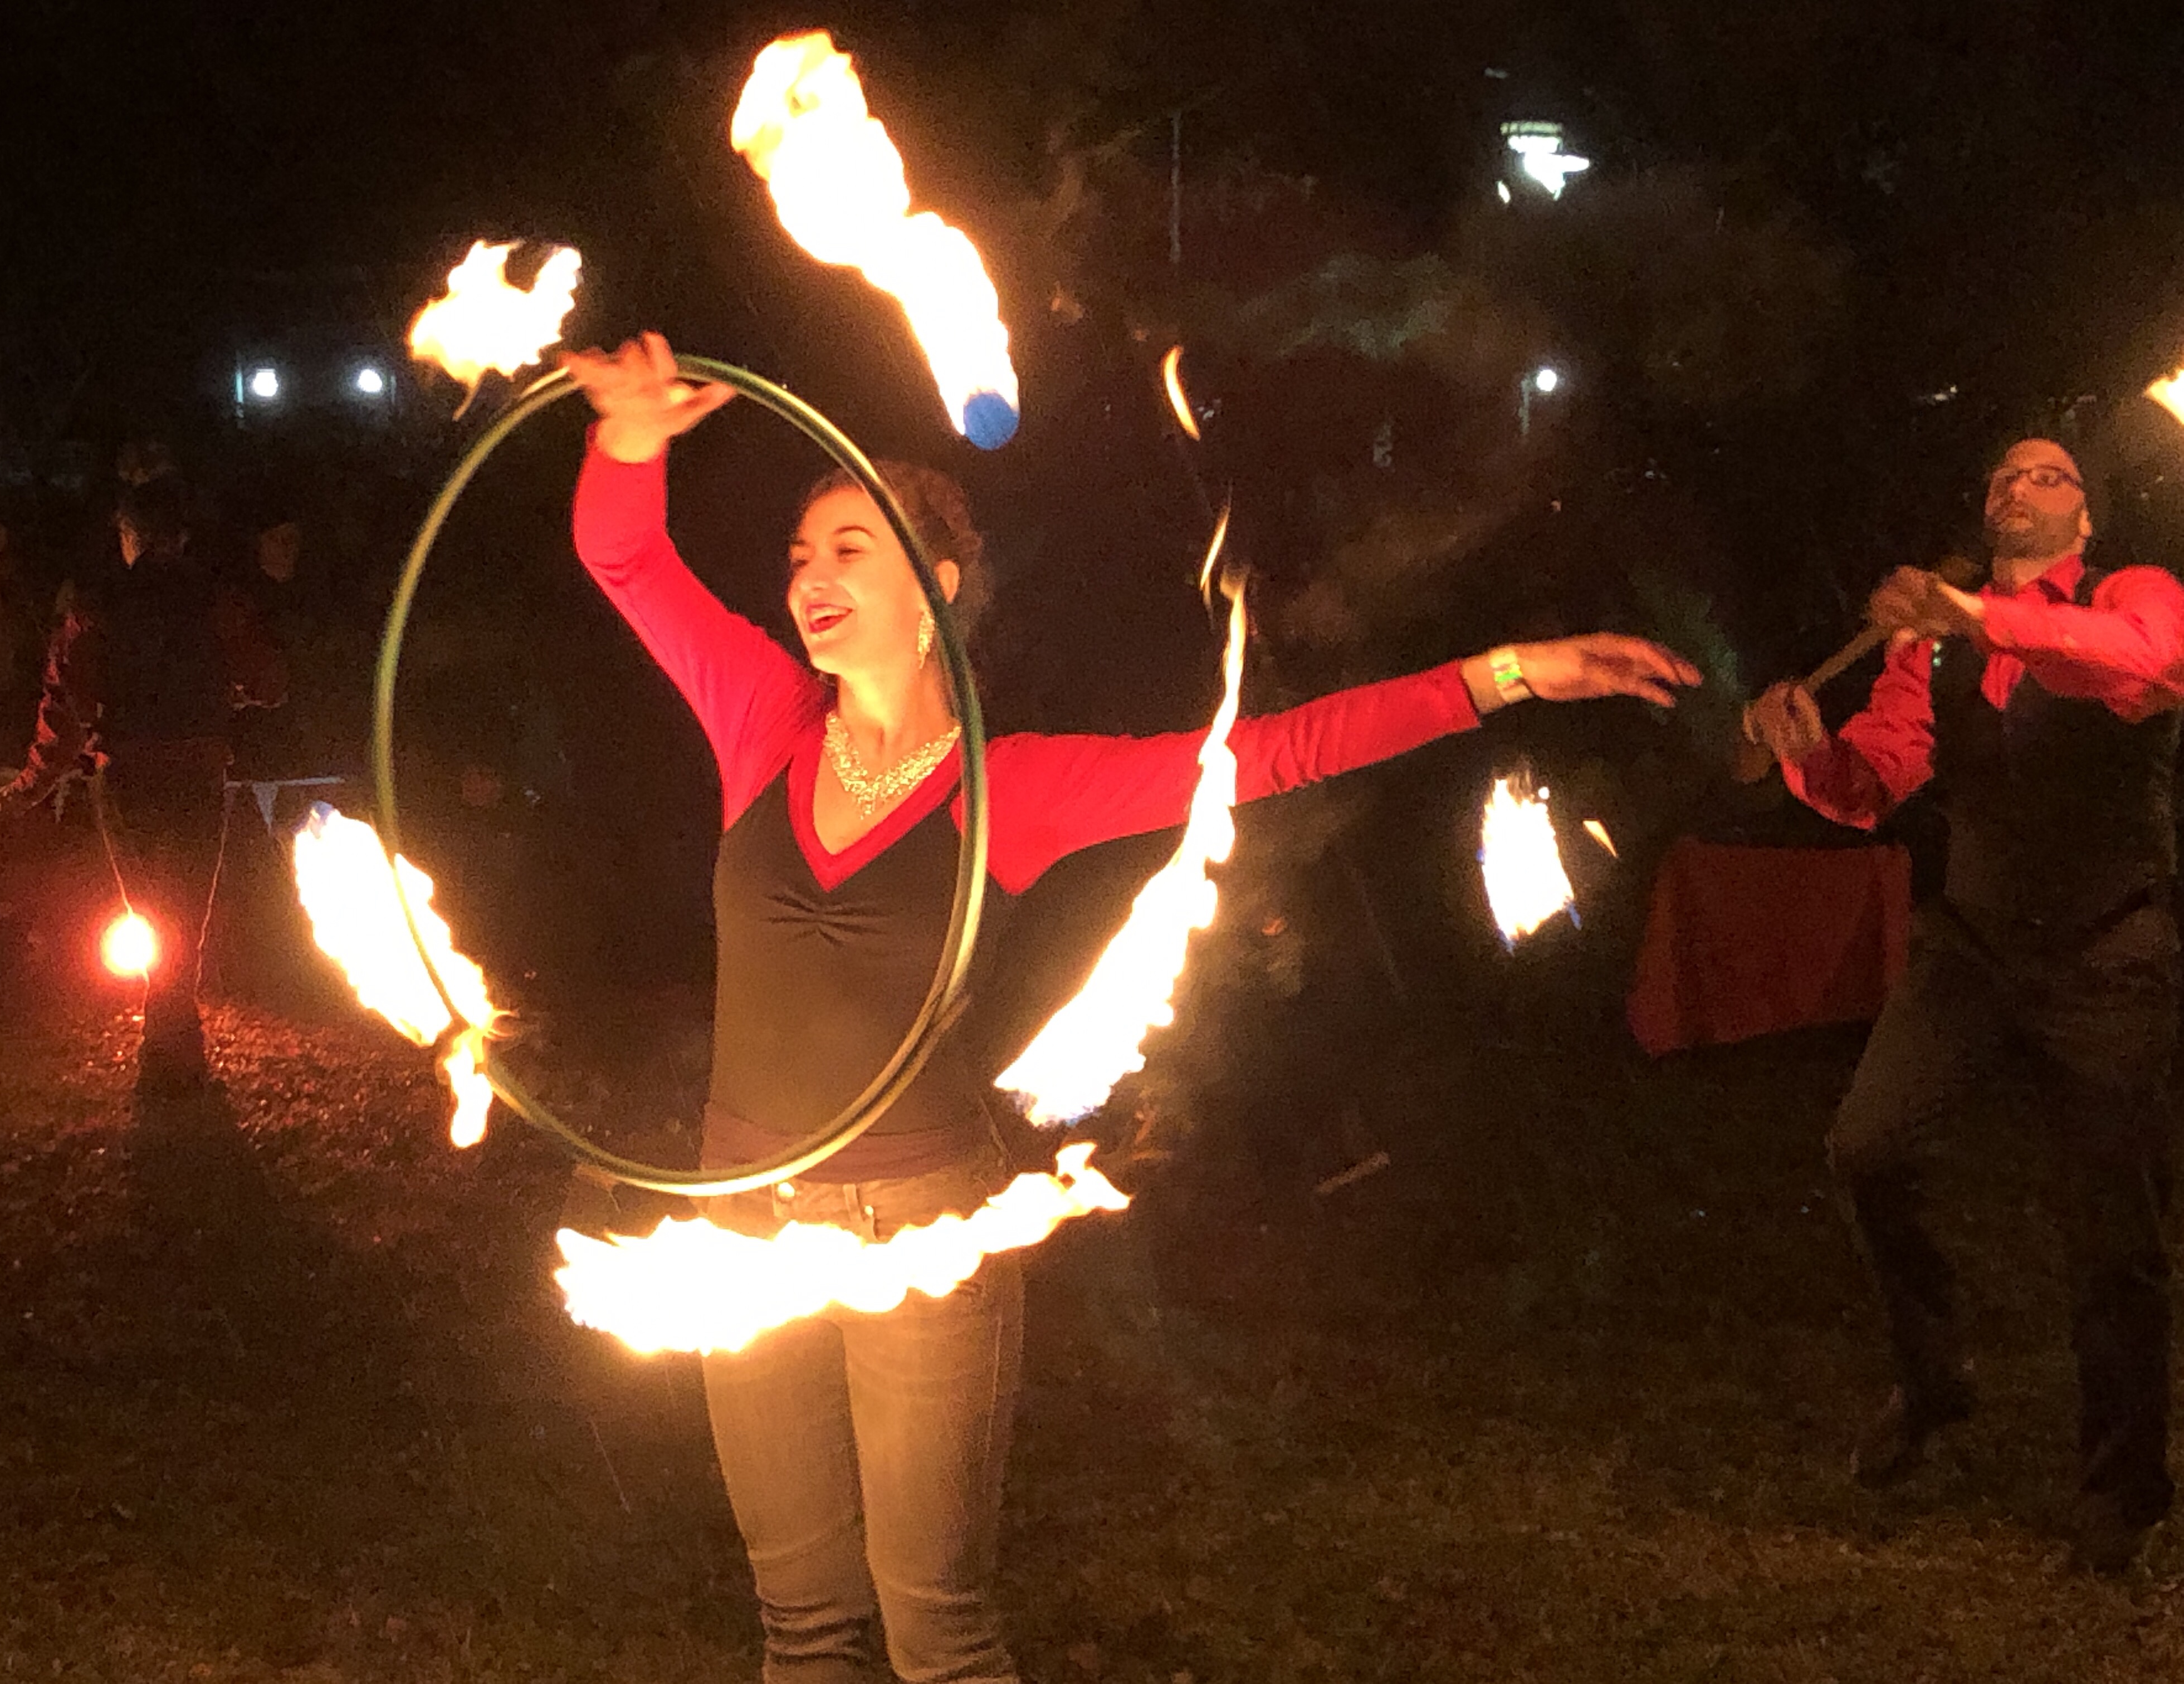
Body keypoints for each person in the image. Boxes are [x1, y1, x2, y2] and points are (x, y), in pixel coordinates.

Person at [563, 332, 1698, 1682]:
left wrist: (1502, 674)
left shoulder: (1012, 787)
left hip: (921, 1232)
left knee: (936, 1632)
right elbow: (628, 562)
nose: (811, 578)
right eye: (801, 555)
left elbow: (1267, 755)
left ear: (936, 584)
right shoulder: (763, 720)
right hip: (741, 1213)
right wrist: (628, 441)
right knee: (802, 1624)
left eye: (851, 550)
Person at [1748, 435, 2184, 1574]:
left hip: (2106, 951)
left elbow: (2140, 661)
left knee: (2112, 1236)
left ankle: (2123, 1487)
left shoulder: (2131, 595)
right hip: (1975, 946)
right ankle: (1935, 1377)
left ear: (2084, 518)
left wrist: (1974, 615)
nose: (2015, 487)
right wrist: (1812, 756)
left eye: (2046, 475)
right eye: (2001, 477)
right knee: (1866, 1148)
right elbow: (1874, 782)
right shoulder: (1929, 646)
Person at [0, 473, 285, 1091]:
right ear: (182, 537)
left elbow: (66, 706)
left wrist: (31, 786)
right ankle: (176, 1047)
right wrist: (230, 691)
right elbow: (269, 682)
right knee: (186, 911)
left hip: (127, 776)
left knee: (152, 908)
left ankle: (168, 1049)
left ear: (128, 536)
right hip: (198, 771)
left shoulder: (96, 607)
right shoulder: (216, 601)